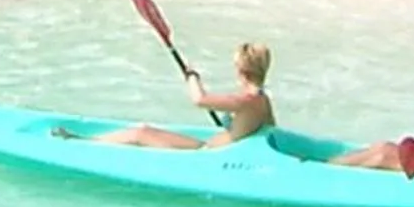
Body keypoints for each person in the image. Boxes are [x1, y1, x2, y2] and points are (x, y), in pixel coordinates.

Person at [80, 43, 275, 149]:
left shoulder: (245, 101)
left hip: (207, 153)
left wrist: (192, 76)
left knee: (141, 132)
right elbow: (268, 129)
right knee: (145, 132)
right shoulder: (262, 100)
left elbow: (199, 99)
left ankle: (83, 144)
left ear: (241, 71)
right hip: (211, 148)